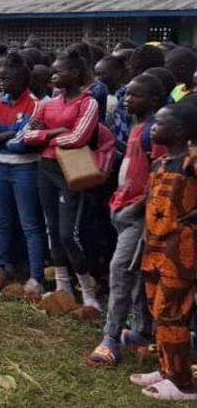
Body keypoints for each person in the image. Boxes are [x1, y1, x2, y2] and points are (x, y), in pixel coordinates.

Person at [88, 73, 166, 367]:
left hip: (139, 215)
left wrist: (136, 208)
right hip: (122, 209)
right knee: (136, 275)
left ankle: (110, 338)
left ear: (154, 100)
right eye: (127, 94)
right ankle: (141, 332)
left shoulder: (156, 132)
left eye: (135, 95)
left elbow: (160, 178)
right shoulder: (136, 126)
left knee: (120, 271)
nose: (127, 99)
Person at [129, 102, 197, 401]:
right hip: (154, 249)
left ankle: (183, 383)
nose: (153, 128)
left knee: (173, 314)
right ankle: (167, 368)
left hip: (180, 253)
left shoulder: (191, 163)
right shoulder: (160, 163)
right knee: (158, 311)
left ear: (180, 131)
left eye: (159, 123)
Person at [24, 51, 101, 307]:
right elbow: (26, 136)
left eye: (59, 71)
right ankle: (62, 286)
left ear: (75, 74)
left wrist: (45, 136)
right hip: (45, 168)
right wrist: (55, 132)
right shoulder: (47, 104)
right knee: (52, 229)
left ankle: (87, 289)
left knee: (69, 233)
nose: (53, 75)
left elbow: (79, 137)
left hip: (70, 170)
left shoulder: (88, 103)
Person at [0, 53, 44, 298]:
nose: (2, 83)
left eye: (6, 78)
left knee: (29, 224)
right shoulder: (0, 101)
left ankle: (36, 276)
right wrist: (8, 135)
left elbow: (22, 144)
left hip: (25, 169)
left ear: (21, 79)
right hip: (1, 168)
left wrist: (1, 137)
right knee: (2, 221)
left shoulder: (34, 104)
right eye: (0, 78)